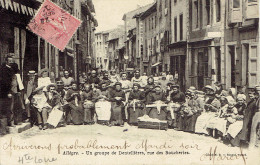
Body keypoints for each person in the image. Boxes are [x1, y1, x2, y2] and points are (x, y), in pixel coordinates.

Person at [0, 54, 15, 126]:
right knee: (6, 107)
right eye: (10, 61)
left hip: (10, 90)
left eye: (12, 61)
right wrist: (8, 92)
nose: (11, 62)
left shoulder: (11, 69)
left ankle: (10, 122)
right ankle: (6, 124)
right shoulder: (3, 70)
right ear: (6, 61)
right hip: (5, 92)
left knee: (11, 107)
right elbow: (5, 82)